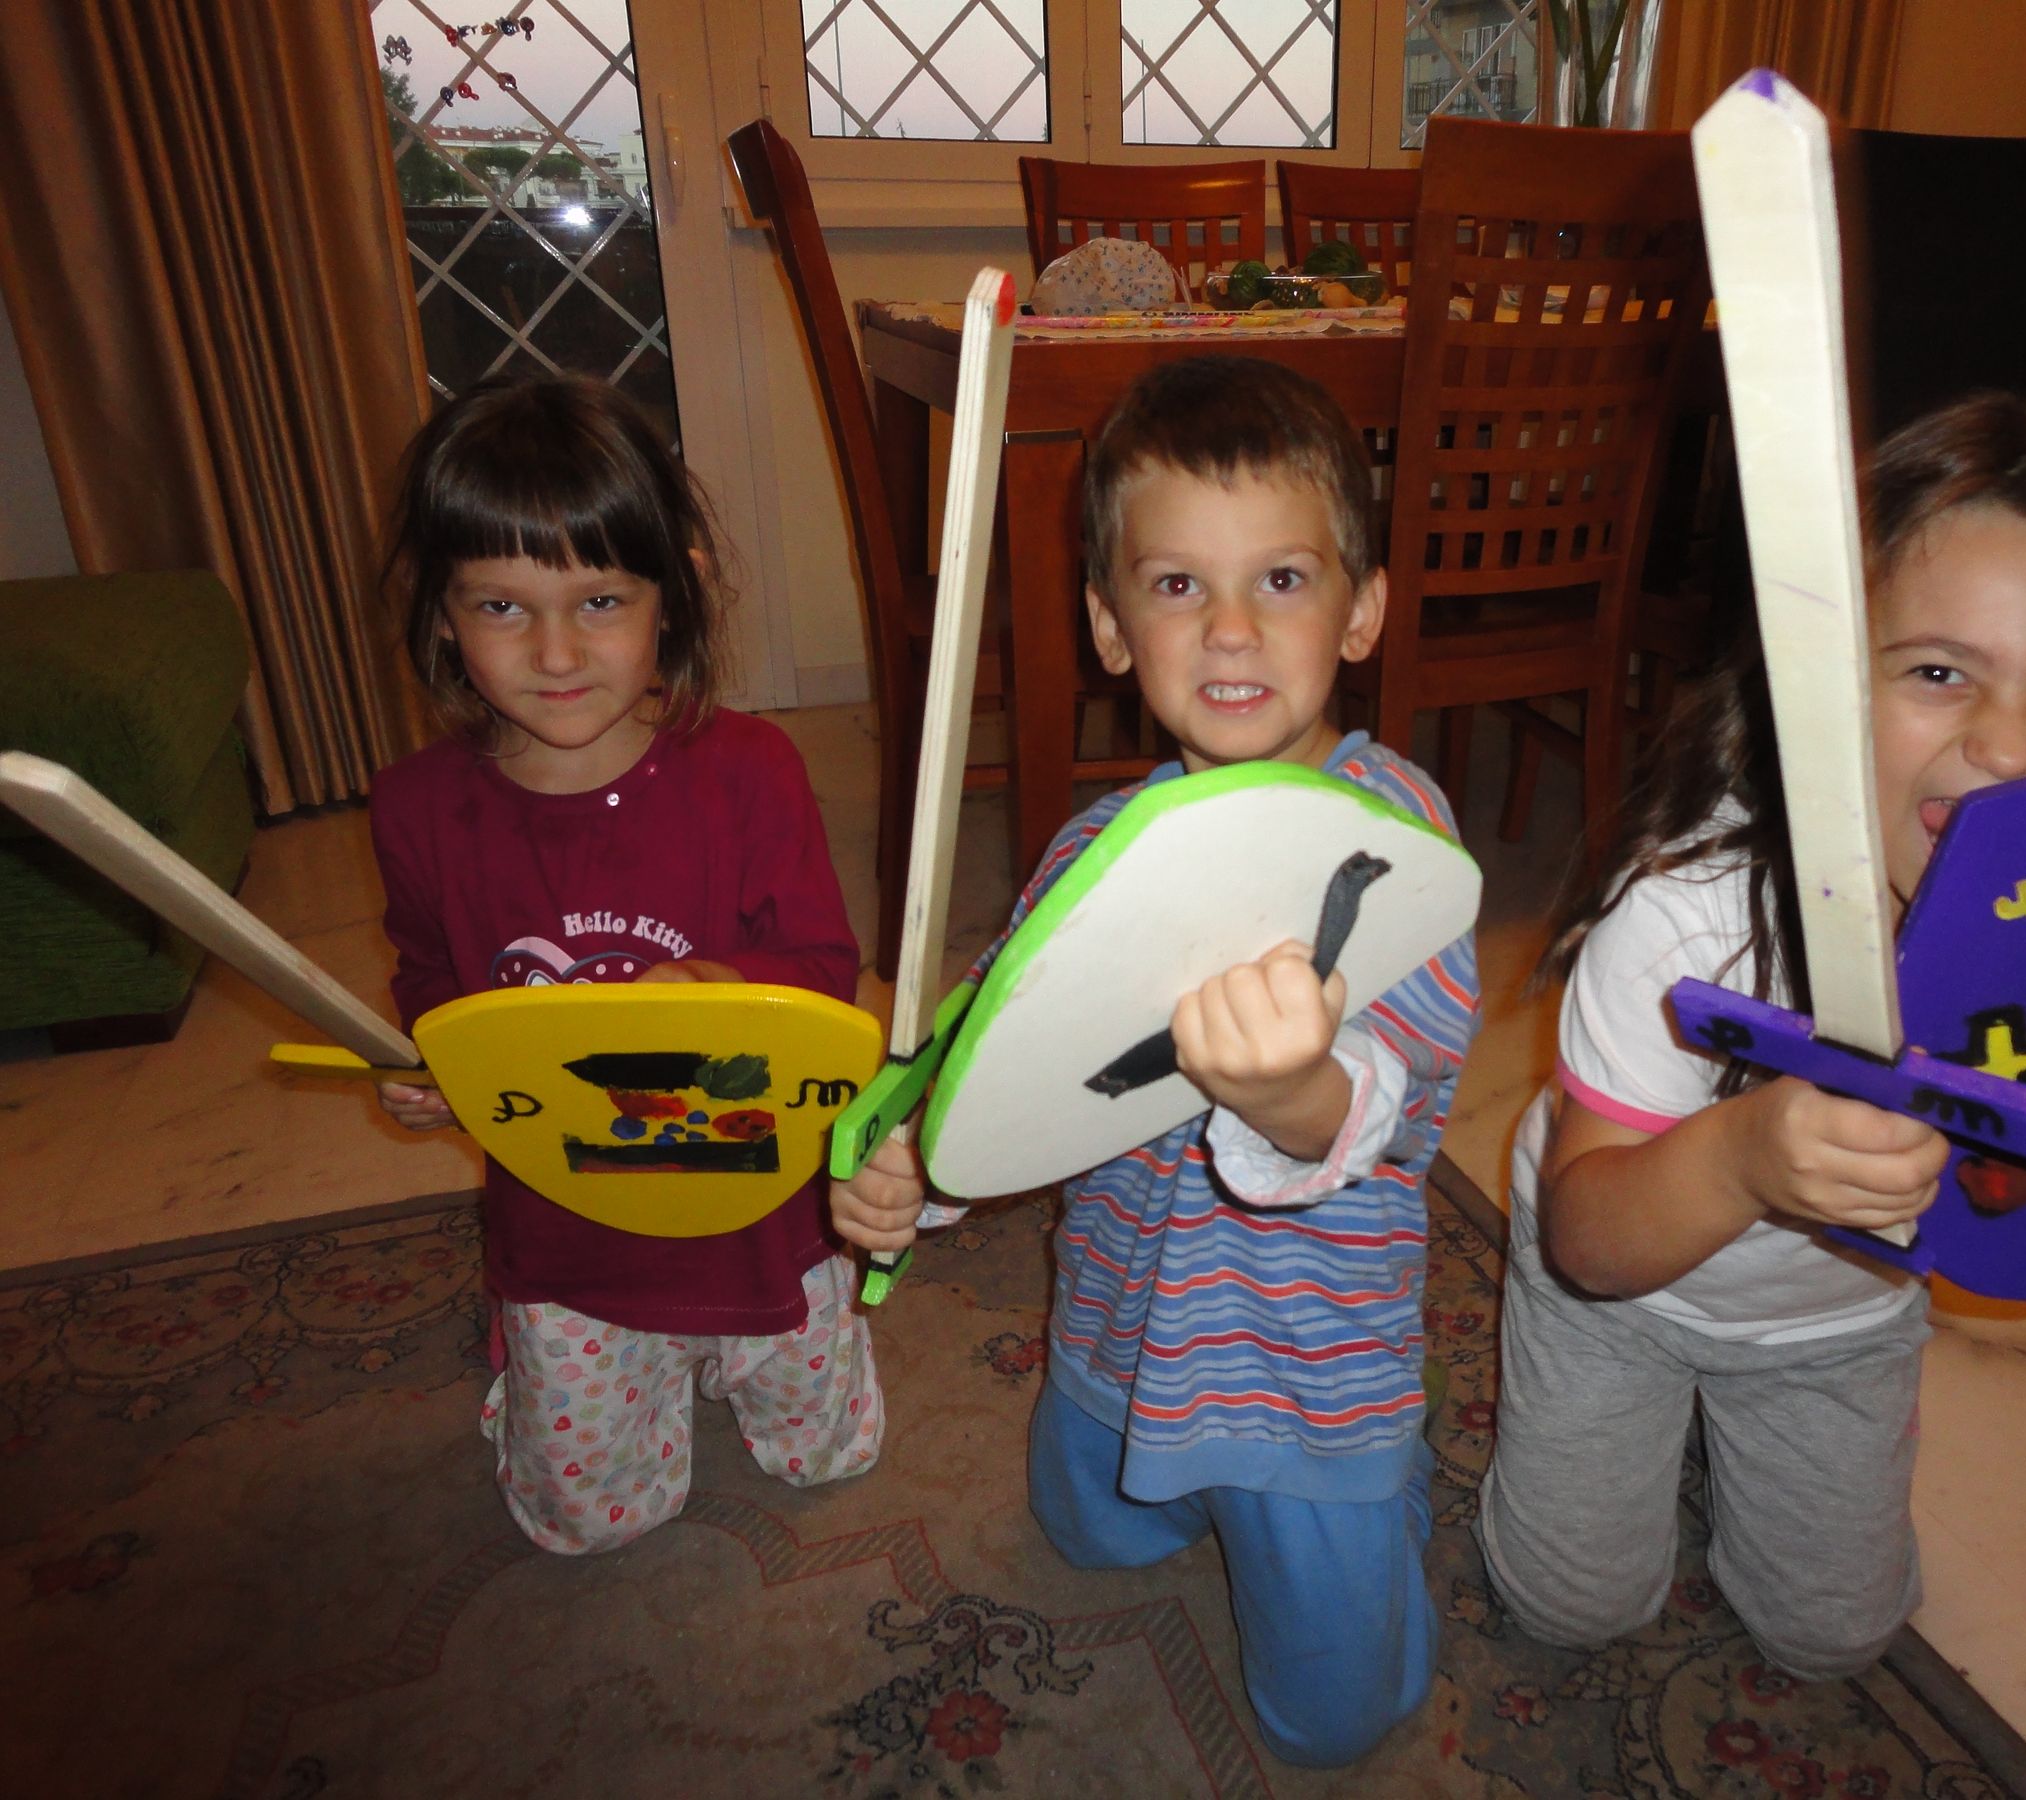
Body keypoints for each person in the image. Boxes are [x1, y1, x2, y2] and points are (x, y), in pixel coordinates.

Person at [1475, 394, 2026, 1679]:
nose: (2011, 746)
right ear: (1814, 681)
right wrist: (1744, 1158)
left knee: (1835, 1639)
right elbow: (1590, 1242)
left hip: (1838, 1322)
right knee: (1569, 1608)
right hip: (1620, 1282)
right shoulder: (1686, 918)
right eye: (1938, 672)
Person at [836, 356, 1482, 1767]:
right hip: (1125, 1325)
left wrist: (1290, 1093)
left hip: (1307, 1365)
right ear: (1112, 628)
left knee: (1335, 1723)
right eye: (1179, 585)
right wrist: (914, 1172)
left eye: (1286, 582)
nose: (1234, 631)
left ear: (1363, 610)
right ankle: (1161, 1456)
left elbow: (1396, 1094)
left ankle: (1381, 1499)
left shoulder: (1397, 843)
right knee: (1088, 1535)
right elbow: (999, 1070)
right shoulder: (1083, 854)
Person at [371, 373, 923, 1556]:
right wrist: (428, 1061)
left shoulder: (754, 769)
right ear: (444, 611)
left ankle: (763, 1354)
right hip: (571, 1231)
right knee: (587, 1526)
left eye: (601, 599)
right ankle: (541, 1374)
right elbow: (426, 972)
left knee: (829, 1459)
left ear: (675, 591)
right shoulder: (415, 806)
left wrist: (720, 992)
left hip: (764, 1212)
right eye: (503, 607)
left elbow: (827, 972)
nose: (558, 651)